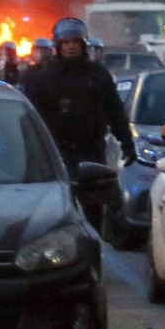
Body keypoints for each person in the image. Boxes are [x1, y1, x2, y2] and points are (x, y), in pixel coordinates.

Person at [24, 16, 135, 229]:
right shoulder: (44, 79)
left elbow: (115, 112)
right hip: (56, 155)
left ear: (83, 44)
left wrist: (127, 143)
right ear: (58, 45)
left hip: (91, 152)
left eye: (75, 42)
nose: (71, 47)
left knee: (93, 212)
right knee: (58, 213)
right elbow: (31, 119)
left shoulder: (98, 75)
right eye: (66, 42)